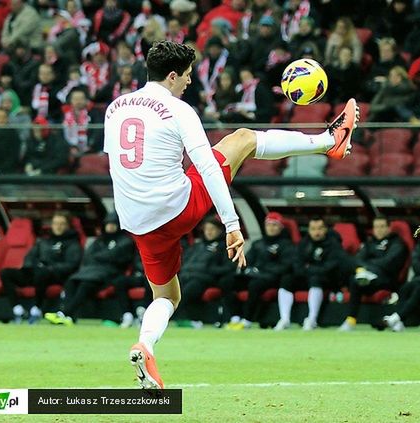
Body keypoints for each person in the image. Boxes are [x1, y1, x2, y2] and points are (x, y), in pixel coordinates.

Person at [104, 40, 359, 389]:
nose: (191, 83)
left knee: (166, 296)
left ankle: (144, 346)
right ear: (173, 75)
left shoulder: (115, 107)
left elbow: (116, 161)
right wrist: (231, 223)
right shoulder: (179, 110)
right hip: (176, 208)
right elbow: (207, 166)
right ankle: (330, 141)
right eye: (189, 76)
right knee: (242, 139)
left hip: (137, 221)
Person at [45, 212, 136, 326]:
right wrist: (103, 257)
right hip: (92, 271)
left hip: (111, 273)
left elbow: (114, 256)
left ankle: (65, 314)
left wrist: (100, 257)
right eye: (108, 224)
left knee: (86, 284)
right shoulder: (100, 240)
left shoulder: (125, 240)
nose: (110, 226)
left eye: (113, 224)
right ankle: (70, 317)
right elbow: (89, 255)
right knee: (71, 282)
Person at [0, 212, 83, 324]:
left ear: (68, 226)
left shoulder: (73, 243)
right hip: (36, 272)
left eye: (62, 224)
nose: (58, 227)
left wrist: (50, 268)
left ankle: (36, 309)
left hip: (56, 275)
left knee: (42, 273)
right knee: (6, 273)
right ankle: (17, 309)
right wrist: (30, 266)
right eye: (55, 223)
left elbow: (72, 264)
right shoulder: (44, 241)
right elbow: (29, 257)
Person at [275, 217, 350, 331]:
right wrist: (309, 269)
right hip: (306, 276)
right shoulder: (304, 243)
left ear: (325, 229)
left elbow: (330, 267)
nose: (317, 232)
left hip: (328, 280)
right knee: (287, 280)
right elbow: (297, 264)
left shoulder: (333, 244)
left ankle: (311, 319)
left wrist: (309, 268)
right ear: (309, 230)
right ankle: (284, 319)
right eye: (313, 229)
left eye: (320, 228)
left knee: (316, 279)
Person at [338, 216, 409, 331]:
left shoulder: (397, 243)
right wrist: (365, 267)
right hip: (368, 280)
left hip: (387, 280)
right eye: (376, 227)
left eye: (382, 226)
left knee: (360, 277)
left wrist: (368, 266)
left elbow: (388, 263)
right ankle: (350, 320)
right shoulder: (370, 242)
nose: (379, 230)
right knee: (354, 279)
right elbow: (357, 259)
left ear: (388, 228)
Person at [226, 212, 294, 330]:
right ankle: (235, 317)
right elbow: (246, 261)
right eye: (269, 225)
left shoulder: (286, 245)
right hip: (254, 275)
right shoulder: (258, 243)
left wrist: (261, 271)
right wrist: (247, 270)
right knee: (227, 282)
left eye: (274, 225)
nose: (271, 228)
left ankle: (247, 320)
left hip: (272, 277)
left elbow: (286, 266)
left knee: (255, 285)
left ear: (281, 227)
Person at [175, 217, 234, 328]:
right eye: (206, 229)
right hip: (187, 276)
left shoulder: (225, 246)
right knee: (171, 289)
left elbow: (229, 267)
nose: (209, 231)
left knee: (186, 292)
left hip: (206, 279)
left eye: (212, 229)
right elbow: (184, 262)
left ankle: (185, 319)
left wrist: (211, 270)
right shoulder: (198, 246)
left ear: (219, 230)